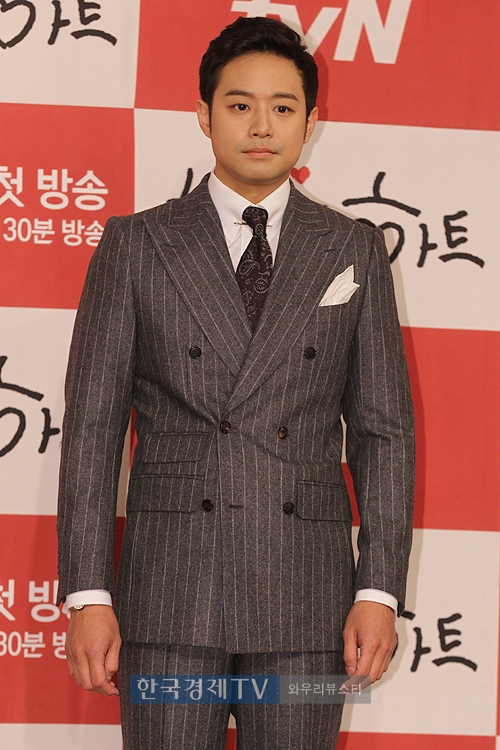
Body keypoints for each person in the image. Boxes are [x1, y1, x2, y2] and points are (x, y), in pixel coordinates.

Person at [57, 15, 415, 750]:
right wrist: (88, 593)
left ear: (310, 122)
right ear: (204, 114)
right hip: (170, 594)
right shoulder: (137, 244)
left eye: (283, 107)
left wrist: (378, 590)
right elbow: (92, 429)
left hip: (306, 599)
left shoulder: (353, 249)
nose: (261, 125)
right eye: (239, 104)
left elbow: (383, 433)